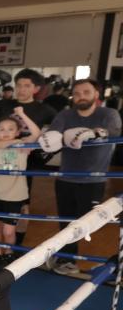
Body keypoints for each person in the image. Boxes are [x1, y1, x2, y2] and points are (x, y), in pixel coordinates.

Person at [46, 78, 123, 274]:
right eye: (77, 93)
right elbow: (53, 134)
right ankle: (66, 259)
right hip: (65, 178)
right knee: (66, 221)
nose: (81, 97)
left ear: (96, 95)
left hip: (93, 180)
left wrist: (96, 133)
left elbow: (114, 130)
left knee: (86, 221)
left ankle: (104, 262)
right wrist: (54, 137)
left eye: (86, 92)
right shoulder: (66, 114)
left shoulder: (107, 113)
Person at [0, 69, 57, 246]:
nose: (21, 89)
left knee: (22, 204)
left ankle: (17, 244)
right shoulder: (4, 104)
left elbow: (58, 127)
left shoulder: (44, 109)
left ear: (36, 88)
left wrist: (46, 149)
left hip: (24, 161)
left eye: (27, 86)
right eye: (19, 85)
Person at [0, 109, 41, 263]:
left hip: (15, 195)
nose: (6, 132)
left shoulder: (23, 146)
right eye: (2, 129)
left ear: (18, 131)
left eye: (10, 129)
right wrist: (16, 142)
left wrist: (22, 114)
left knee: (9, 231)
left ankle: (8, 251)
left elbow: (36, 133)